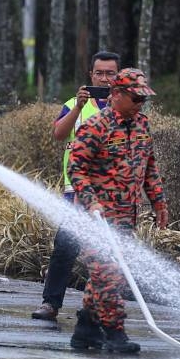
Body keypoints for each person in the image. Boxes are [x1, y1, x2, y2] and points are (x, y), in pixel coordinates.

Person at [67, 68, 168, 354]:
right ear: (117, 95)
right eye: (135, 98)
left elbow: (149, 166)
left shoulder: (142, 125)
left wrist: (158, 201)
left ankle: (85, 329)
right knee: (108, 273)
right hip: (95, 217)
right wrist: (91, 201)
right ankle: (115, 333)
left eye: (143, 100)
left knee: (104, 274)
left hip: (125, 216)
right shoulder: (95, 126)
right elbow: (76, 168)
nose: (139, 104)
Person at [32, 51, 122, 322]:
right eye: (99, 73)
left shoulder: (124, 107)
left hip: (109, 194)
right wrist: (78, 108)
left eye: (110, 74)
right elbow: (59, 134)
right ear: (90, 75)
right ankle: (51, 304)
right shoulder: (75, 104)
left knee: (106, 254)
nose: (104, 79)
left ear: (118, 76)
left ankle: (97, 311)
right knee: (65, 247)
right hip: (76, 192)